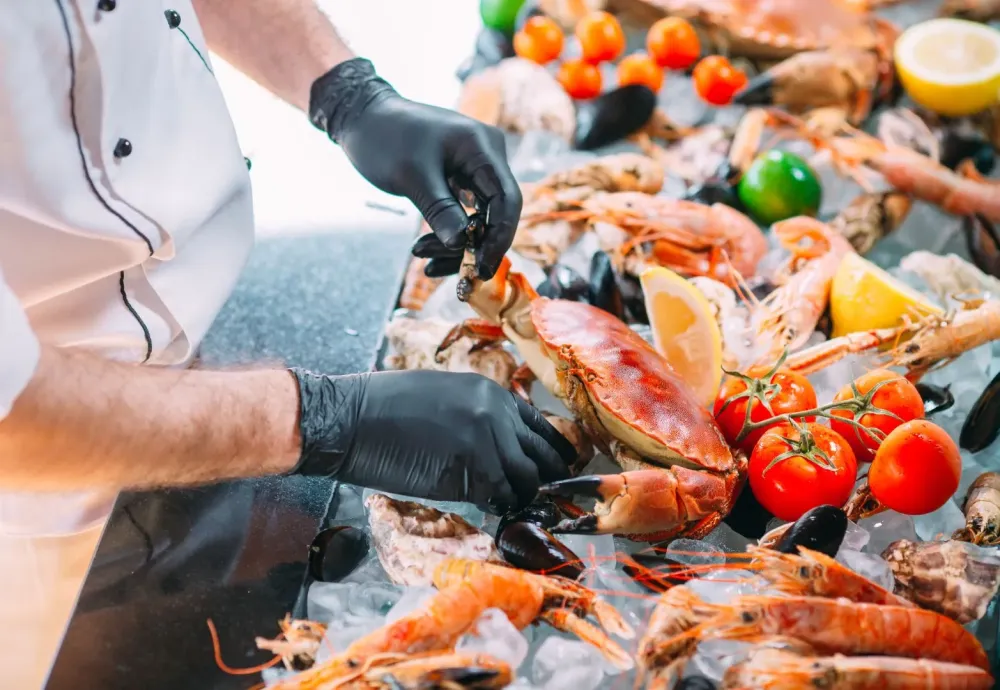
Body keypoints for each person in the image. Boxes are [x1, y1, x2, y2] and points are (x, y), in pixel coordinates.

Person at [0, 2, 574, 687]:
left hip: (217, 343)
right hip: (47, 524)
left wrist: (347, 92)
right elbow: (14, 413)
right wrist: (327, 420)